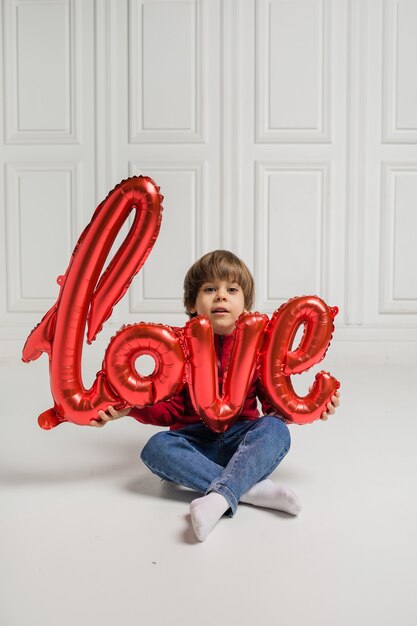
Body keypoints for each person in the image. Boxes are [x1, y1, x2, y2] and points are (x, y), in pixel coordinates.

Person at [91, 250, 340, 541]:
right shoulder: (180, 347)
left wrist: (310, 408)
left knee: (275, 429)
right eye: (210, 289)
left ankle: (218, 496)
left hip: (241, 441)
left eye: (231, 290)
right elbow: (170, 411)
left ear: (245, 305)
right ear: (191, 304)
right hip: (195, 443)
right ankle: (249, 488)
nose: (221, 296)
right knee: (156, 448)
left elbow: (274, 406)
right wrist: (130, 409)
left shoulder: (259, 347)